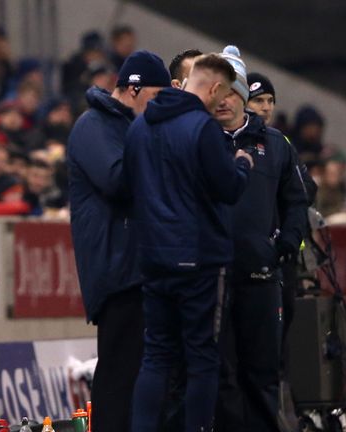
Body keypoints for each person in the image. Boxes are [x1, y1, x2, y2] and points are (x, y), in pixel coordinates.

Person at [124, 53, 253, 431]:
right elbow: (228, 188)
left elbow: (129, 185)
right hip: (199, 261)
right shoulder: (202, 128)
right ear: (213, 87)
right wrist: (243, 163)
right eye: (224, 93)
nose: (222, 103)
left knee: (156, 356)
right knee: (202, 359)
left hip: (152, 258)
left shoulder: (139, 126)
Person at [67, 50, 170, 432]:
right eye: (156, 98)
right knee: (119, 378)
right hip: (119, 269)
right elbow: (117, 180)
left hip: (145, 267)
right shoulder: (92, 126)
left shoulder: (131, 128)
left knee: (147, 380)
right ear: (132, 90)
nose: (159, 108)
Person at [211, 46, 309, 432]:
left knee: (263, 373)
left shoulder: (277, 145)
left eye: (230, 93)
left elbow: (298, 199)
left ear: (242, 97)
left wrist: (287, 242)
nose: (222, 101)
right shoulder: (198, 140)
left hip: (261, 276)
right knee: (222, 375)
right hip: (212, 279)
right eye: (215, 94)